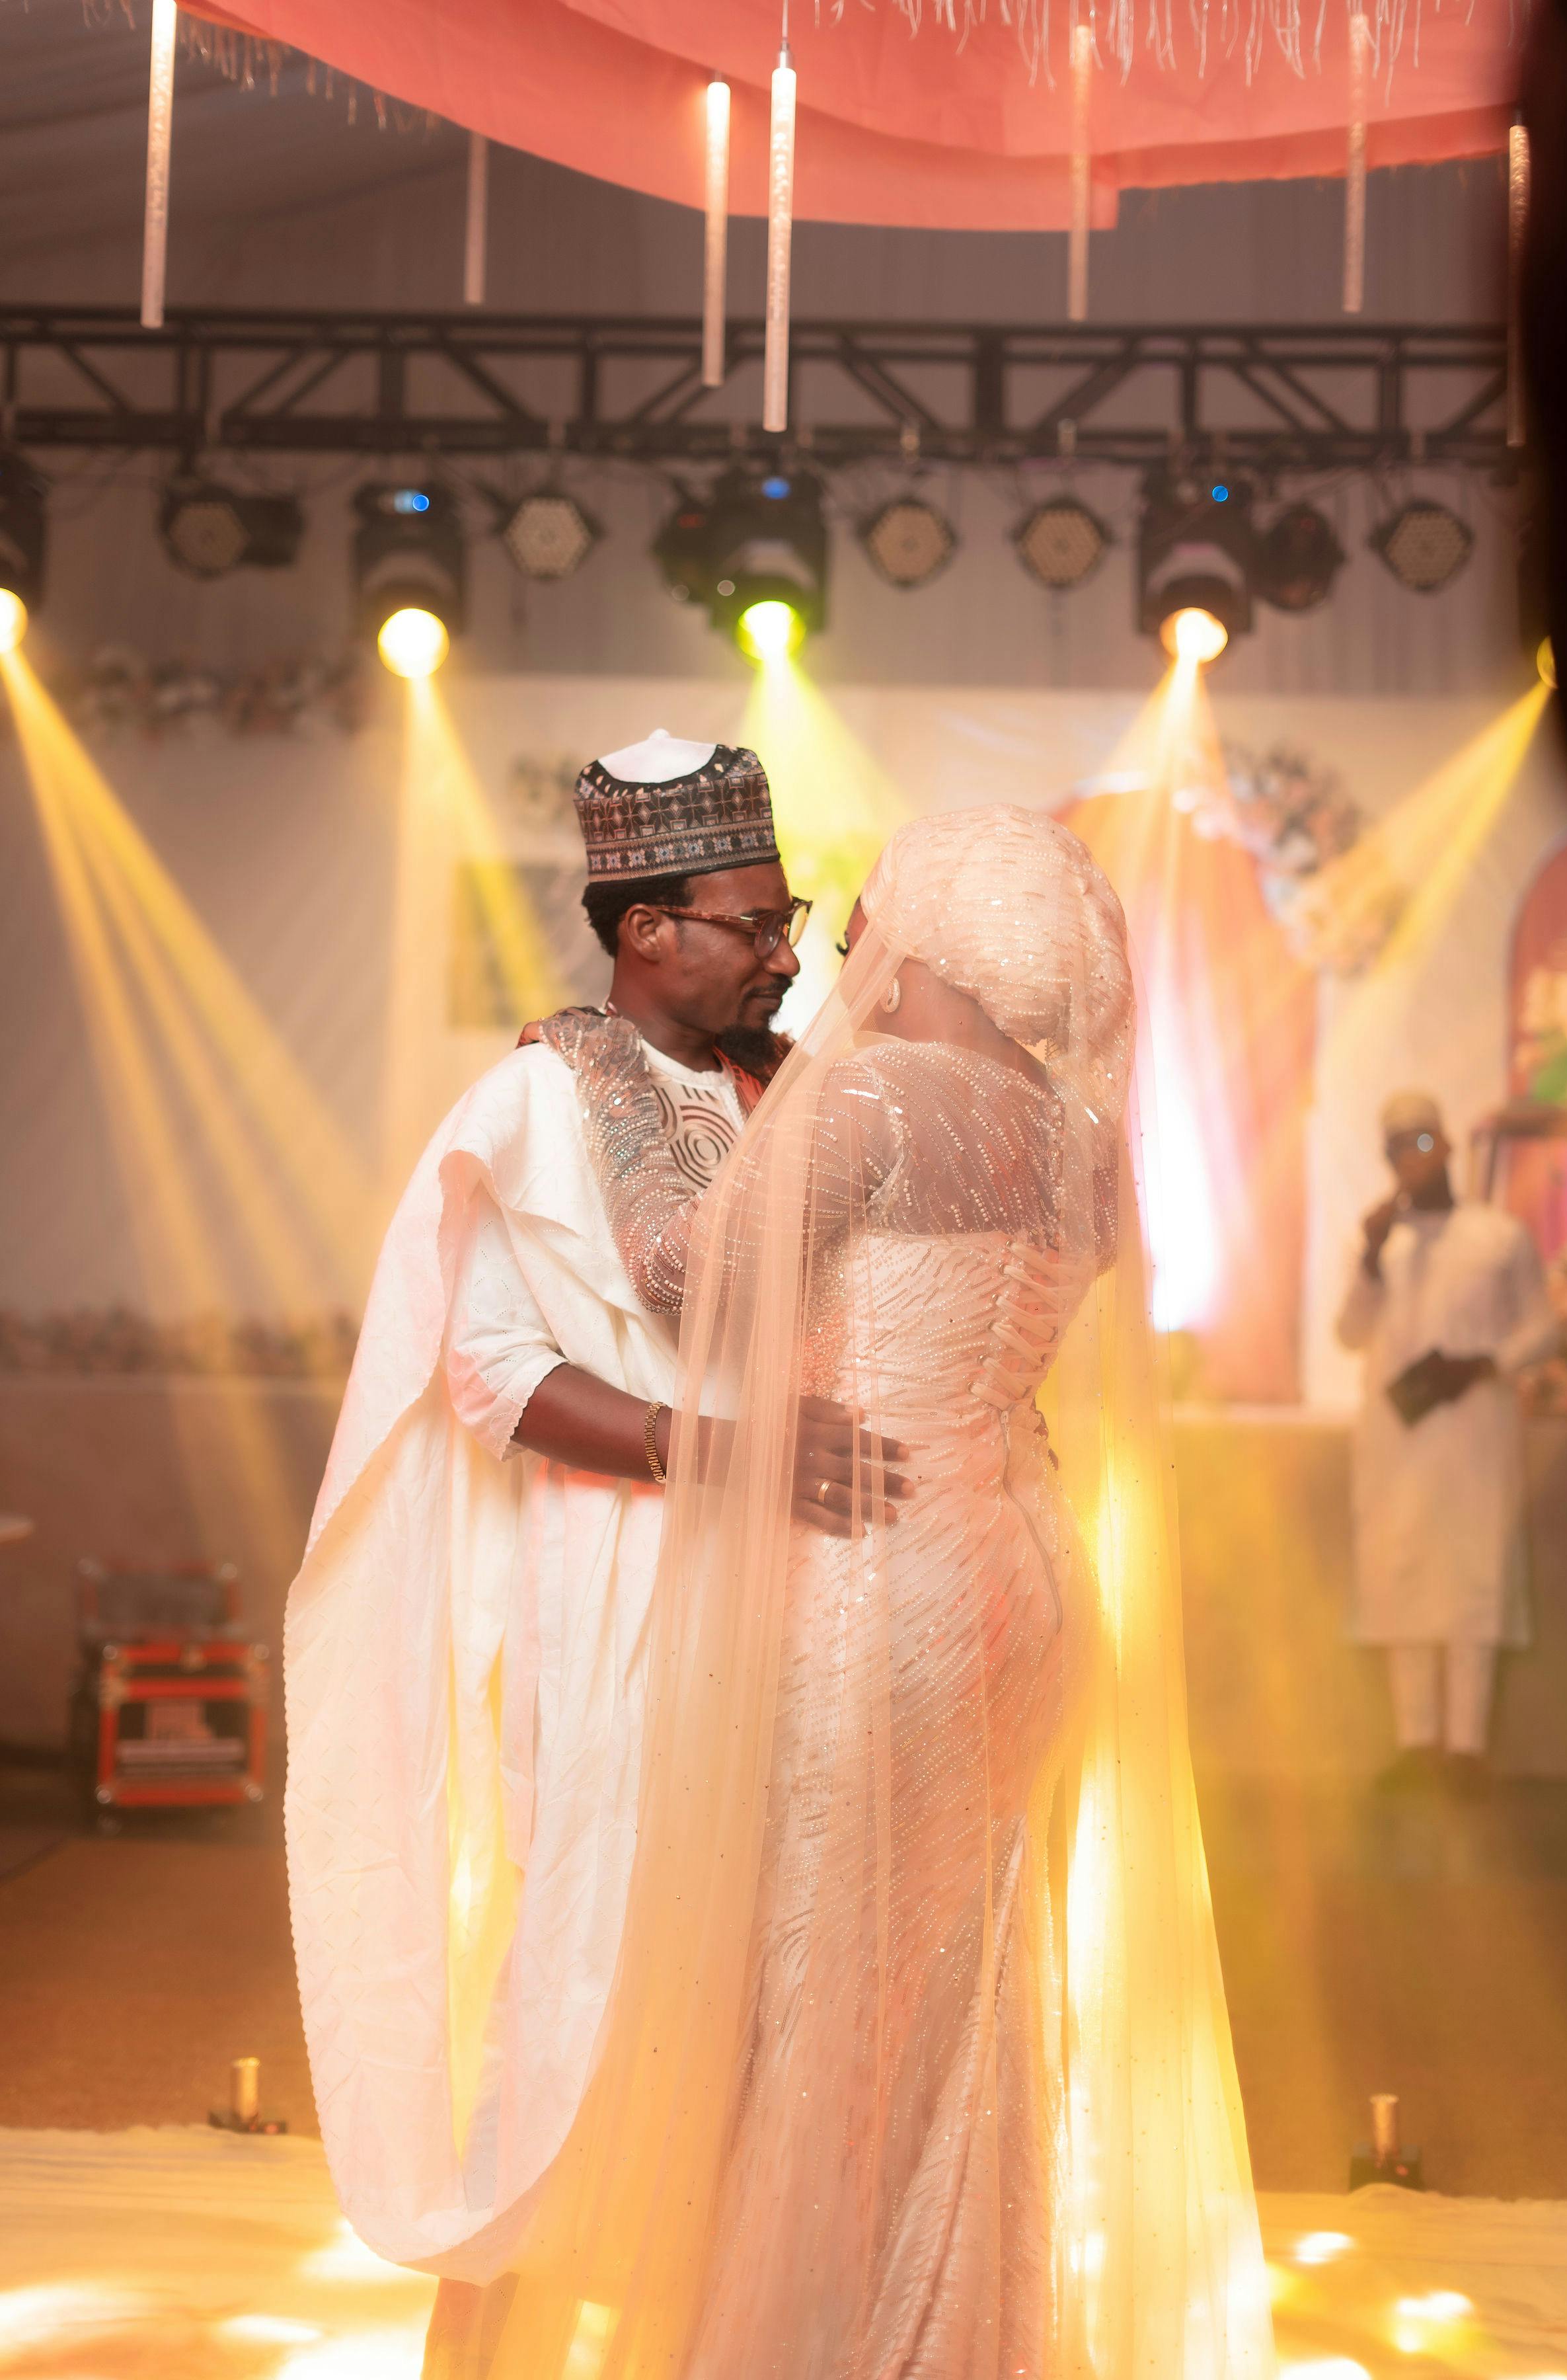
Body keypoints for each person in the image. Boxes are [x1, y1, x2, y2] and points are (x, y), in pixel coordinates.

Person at [425, 806, 1272, 2380]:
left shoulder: (872, 1096)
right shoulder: (1083, 1138)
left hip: (871, 1566)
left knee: (809, 1990)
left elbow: (687, 1270)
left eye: (865, 917)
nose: (832, 947)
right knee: (951, 1993)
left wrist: (608, 1066)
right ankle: (941, 2333)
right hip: (1015, 1573)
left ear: (927, 946)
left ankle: (803, 2346)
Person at [285, 731, 904, 2282]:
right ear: (645, 930)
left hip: (804, 1572)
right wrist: (712, 1451)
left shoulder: (783, 1086)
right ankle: (527, 2302)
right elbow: (490, 1374)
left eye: (785, 920)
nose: (780, 949)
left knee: (783, 1962)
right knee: (606, 1958)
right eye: (753, 924)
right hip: (629, 1565)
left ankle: (729, 2303)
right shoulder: (538, 1099)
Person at [1336, 1090, 1559, 1792]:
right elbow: (1348, 1334)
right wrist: (1371, 1258)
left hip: (1474, 1435)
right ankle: (1417, 1746)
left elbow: (1543, 1328)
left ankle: (1465, 1751)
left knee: (1470, 1578)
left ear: (1448, 1148)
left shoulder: (1498, 1236)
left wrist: (1486, 1364)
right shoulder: (1375, 1241)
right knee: (1404, 1575)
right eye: (1401, 1148)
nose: (1415, 1159)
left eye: (1425, 1144)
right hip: (1397, 1442)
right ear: (1388, 1158)